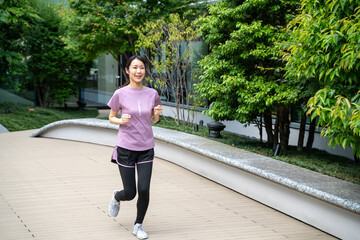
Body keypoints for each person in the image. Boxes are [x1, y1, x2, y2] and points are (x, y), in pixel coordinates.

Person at [107, 55, 162, 240]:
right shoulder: (120, 94)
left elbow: (154, 120)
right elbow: (111, 117)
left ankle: (138, 224)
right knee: (130, 193)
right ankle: (117, 196)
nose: (139, 71)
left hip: (146, 147)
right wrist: (120, 120)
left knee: (144, 189)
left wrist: (156, 114)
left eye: (142, 68)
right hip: (126, 148)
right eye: (135, 67)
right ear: (127, 71)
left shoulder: (152, 94)